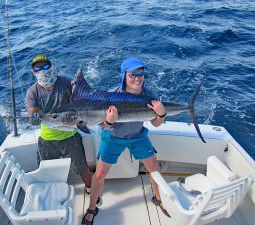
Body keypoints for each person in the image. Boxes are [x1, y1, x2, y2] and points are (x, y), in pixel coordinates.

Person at [82, 57, 169, 225]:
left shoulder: (149, 95)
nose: (137, 78)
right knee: (99, 175)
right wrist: (109, 121)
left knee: (155, 170)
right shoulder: (111, 95)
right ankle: (92, 208)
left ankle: (158, 199)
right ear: (124, 76)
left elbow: (156, 124)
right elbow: (102, 126)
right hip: (113, 137)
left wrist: (162, 114)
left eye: (141, 73)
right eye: (133, 74)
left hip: (138, 136)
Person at [26, 54, 93, 193]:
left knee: (81, 166)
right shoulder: (32, 92)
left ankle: (90, 188)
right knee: (46, 169)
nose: (43, 70)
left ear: (51, 66)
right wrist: (33, 118)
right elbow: (32, 116)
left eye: (45, 66)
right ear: (33, 72)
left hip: (70, 134)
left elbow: (82, 96)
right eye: (38, 68)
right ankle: (51, 192)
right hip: (47, 138)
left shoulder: (66, 82)